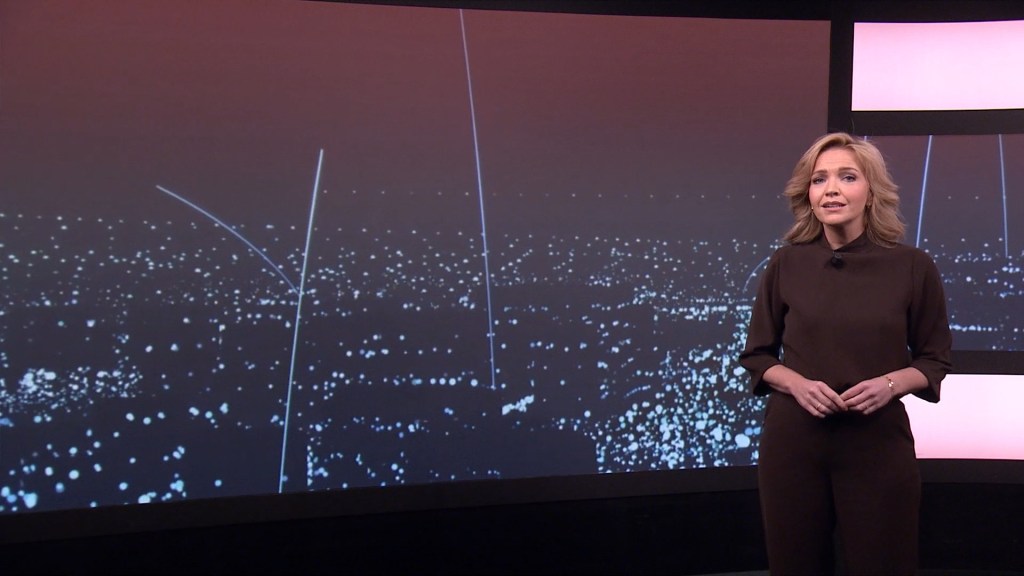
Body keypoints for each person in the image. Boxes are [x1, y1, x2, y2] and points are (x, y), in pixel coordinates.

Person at [738, 132, 953, 575]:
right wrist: (797, 385)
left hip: (876, 444)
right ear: (808, 194)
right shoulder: (785, 264)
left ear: (871, 191)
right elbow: (757, 356)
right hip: (794, 444)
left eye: (847, 177)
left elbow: (934, 360)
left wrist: (889, 385)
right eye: (819, 180)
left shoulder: (913, 266)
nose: (831, 189)